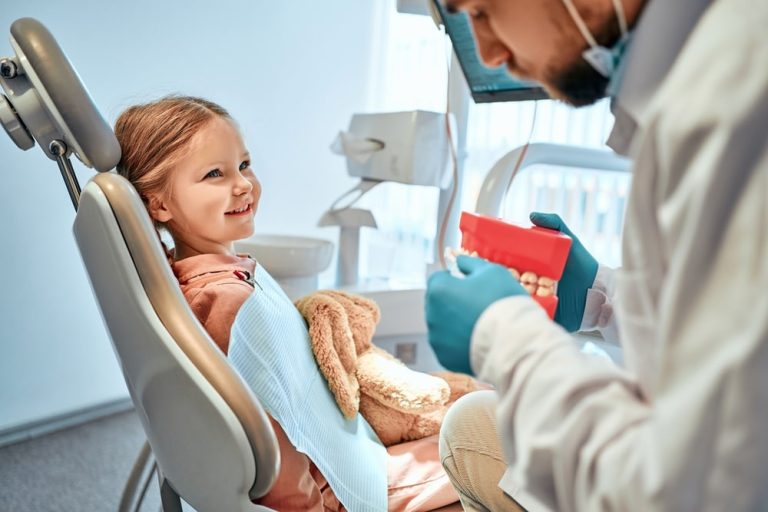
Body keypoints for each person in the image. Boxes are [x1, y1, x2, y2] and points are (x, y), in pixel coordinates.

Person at [425, 0, 768, 510]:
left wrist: (508, 341)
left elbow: (693, 489)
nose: (490, 55)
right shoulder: (710, 66)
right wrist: (601, 295)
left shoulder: (725, 101)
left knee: (469, 428)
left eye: (481, 11)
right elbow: (731, 319)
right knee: (477, 418)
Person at [114, 95, 461, 511]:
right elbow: (266, 437)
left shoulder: (216, 276)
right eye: (214, 174)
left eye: (243, 165)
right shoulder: (226, 302)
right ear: (159, 203)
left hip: (345, 454)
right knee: (507, 448)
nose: (242, 184)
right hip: (346, 485)